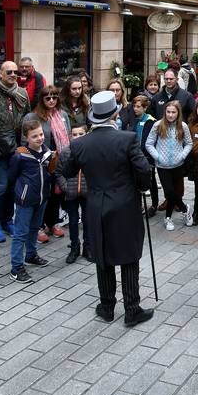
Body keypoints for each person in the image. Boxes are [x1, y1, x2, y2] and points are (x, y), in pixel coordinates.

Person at [63, 90, 153, 327]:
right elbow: (144, 171)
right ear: (115, 113)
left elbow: (67, 171)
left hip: (95, 204)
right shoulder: (127, 138)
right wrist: (141, 187)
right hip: (125, 204)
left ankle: (107, 307)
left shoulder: (80, 143)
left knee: (102, 256)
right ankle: (132, 309)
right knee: (129, 255)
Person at [0, 61, 30, 242]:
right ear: (0, 74)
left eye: (15, 72)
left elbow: (28, 120)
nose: (13, 74)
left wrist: (25, 144)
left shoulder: (22, 94)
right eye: (8, 71)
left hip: (17, 149)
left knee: (12, 187)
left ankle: (7, 221)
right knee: (0, 187)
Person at [8, 116, 56, 282]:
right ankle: (16, 267)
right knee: (20, 233)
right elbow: (12, 176)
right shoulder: (20, 155)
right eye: (34, 136)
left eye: (41, 134)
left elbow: (50, 172)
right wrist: (22, 192)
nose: (40, 138)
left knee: (34, 229)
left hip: (41, 198)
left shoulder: (47, 152)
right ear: (26, 138)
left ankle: (31, 255)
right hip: (25, 200)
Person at [145, 101, 193, 230]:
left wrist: (182, 155)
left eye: (173, 112)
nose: (171, 115)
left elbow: (189, 143)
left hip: (178, 165)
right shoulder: (158, 125)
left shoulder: (183, 126)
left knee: (174, 191)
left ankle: (168, 218)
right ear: (164, 112)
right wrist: (158, 157)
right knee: (169, 191)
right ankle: (184, 208)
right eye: (168, 112)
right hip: (162, 165)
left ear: (178, 113)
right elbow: (149, 143)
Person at [33, 85, 71, 242]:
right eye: (47, 98)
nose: (51, 100)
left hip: (60, 161)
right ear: (42, 99)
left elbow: (68, 135)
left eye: (54, 97)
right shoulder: (34, 116)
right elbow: (27, 140)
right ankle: (38, 226)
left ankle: (53, 223)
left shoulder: (62, 114)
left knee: (57, 193)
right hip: (41, 161)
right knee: (43, 195)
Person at [56, 124, 92, 264]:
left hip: (87, 192)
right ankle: (74, 247)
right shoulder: (66, 152)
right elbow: (59, 173)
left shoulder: (90, 152)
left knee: (87, 219)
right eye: (74, 134)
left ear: (87, 134)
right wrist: (66, 188)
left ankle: (87, 247)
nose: (77, 137)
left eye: (81, 134)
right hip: (70, 193)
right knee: (72, 220)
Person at [131, 95, 159, 215]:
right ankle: (138, 205)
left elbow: (150, 141)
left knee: (151, 180)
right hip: (135, 154)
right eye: (134, 106)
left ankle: (154, 205)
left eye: (138, 107)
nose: (135, 109)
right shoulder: (134, 119)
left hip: (147, 156)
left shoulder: (150, 121)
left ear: (145, 107)